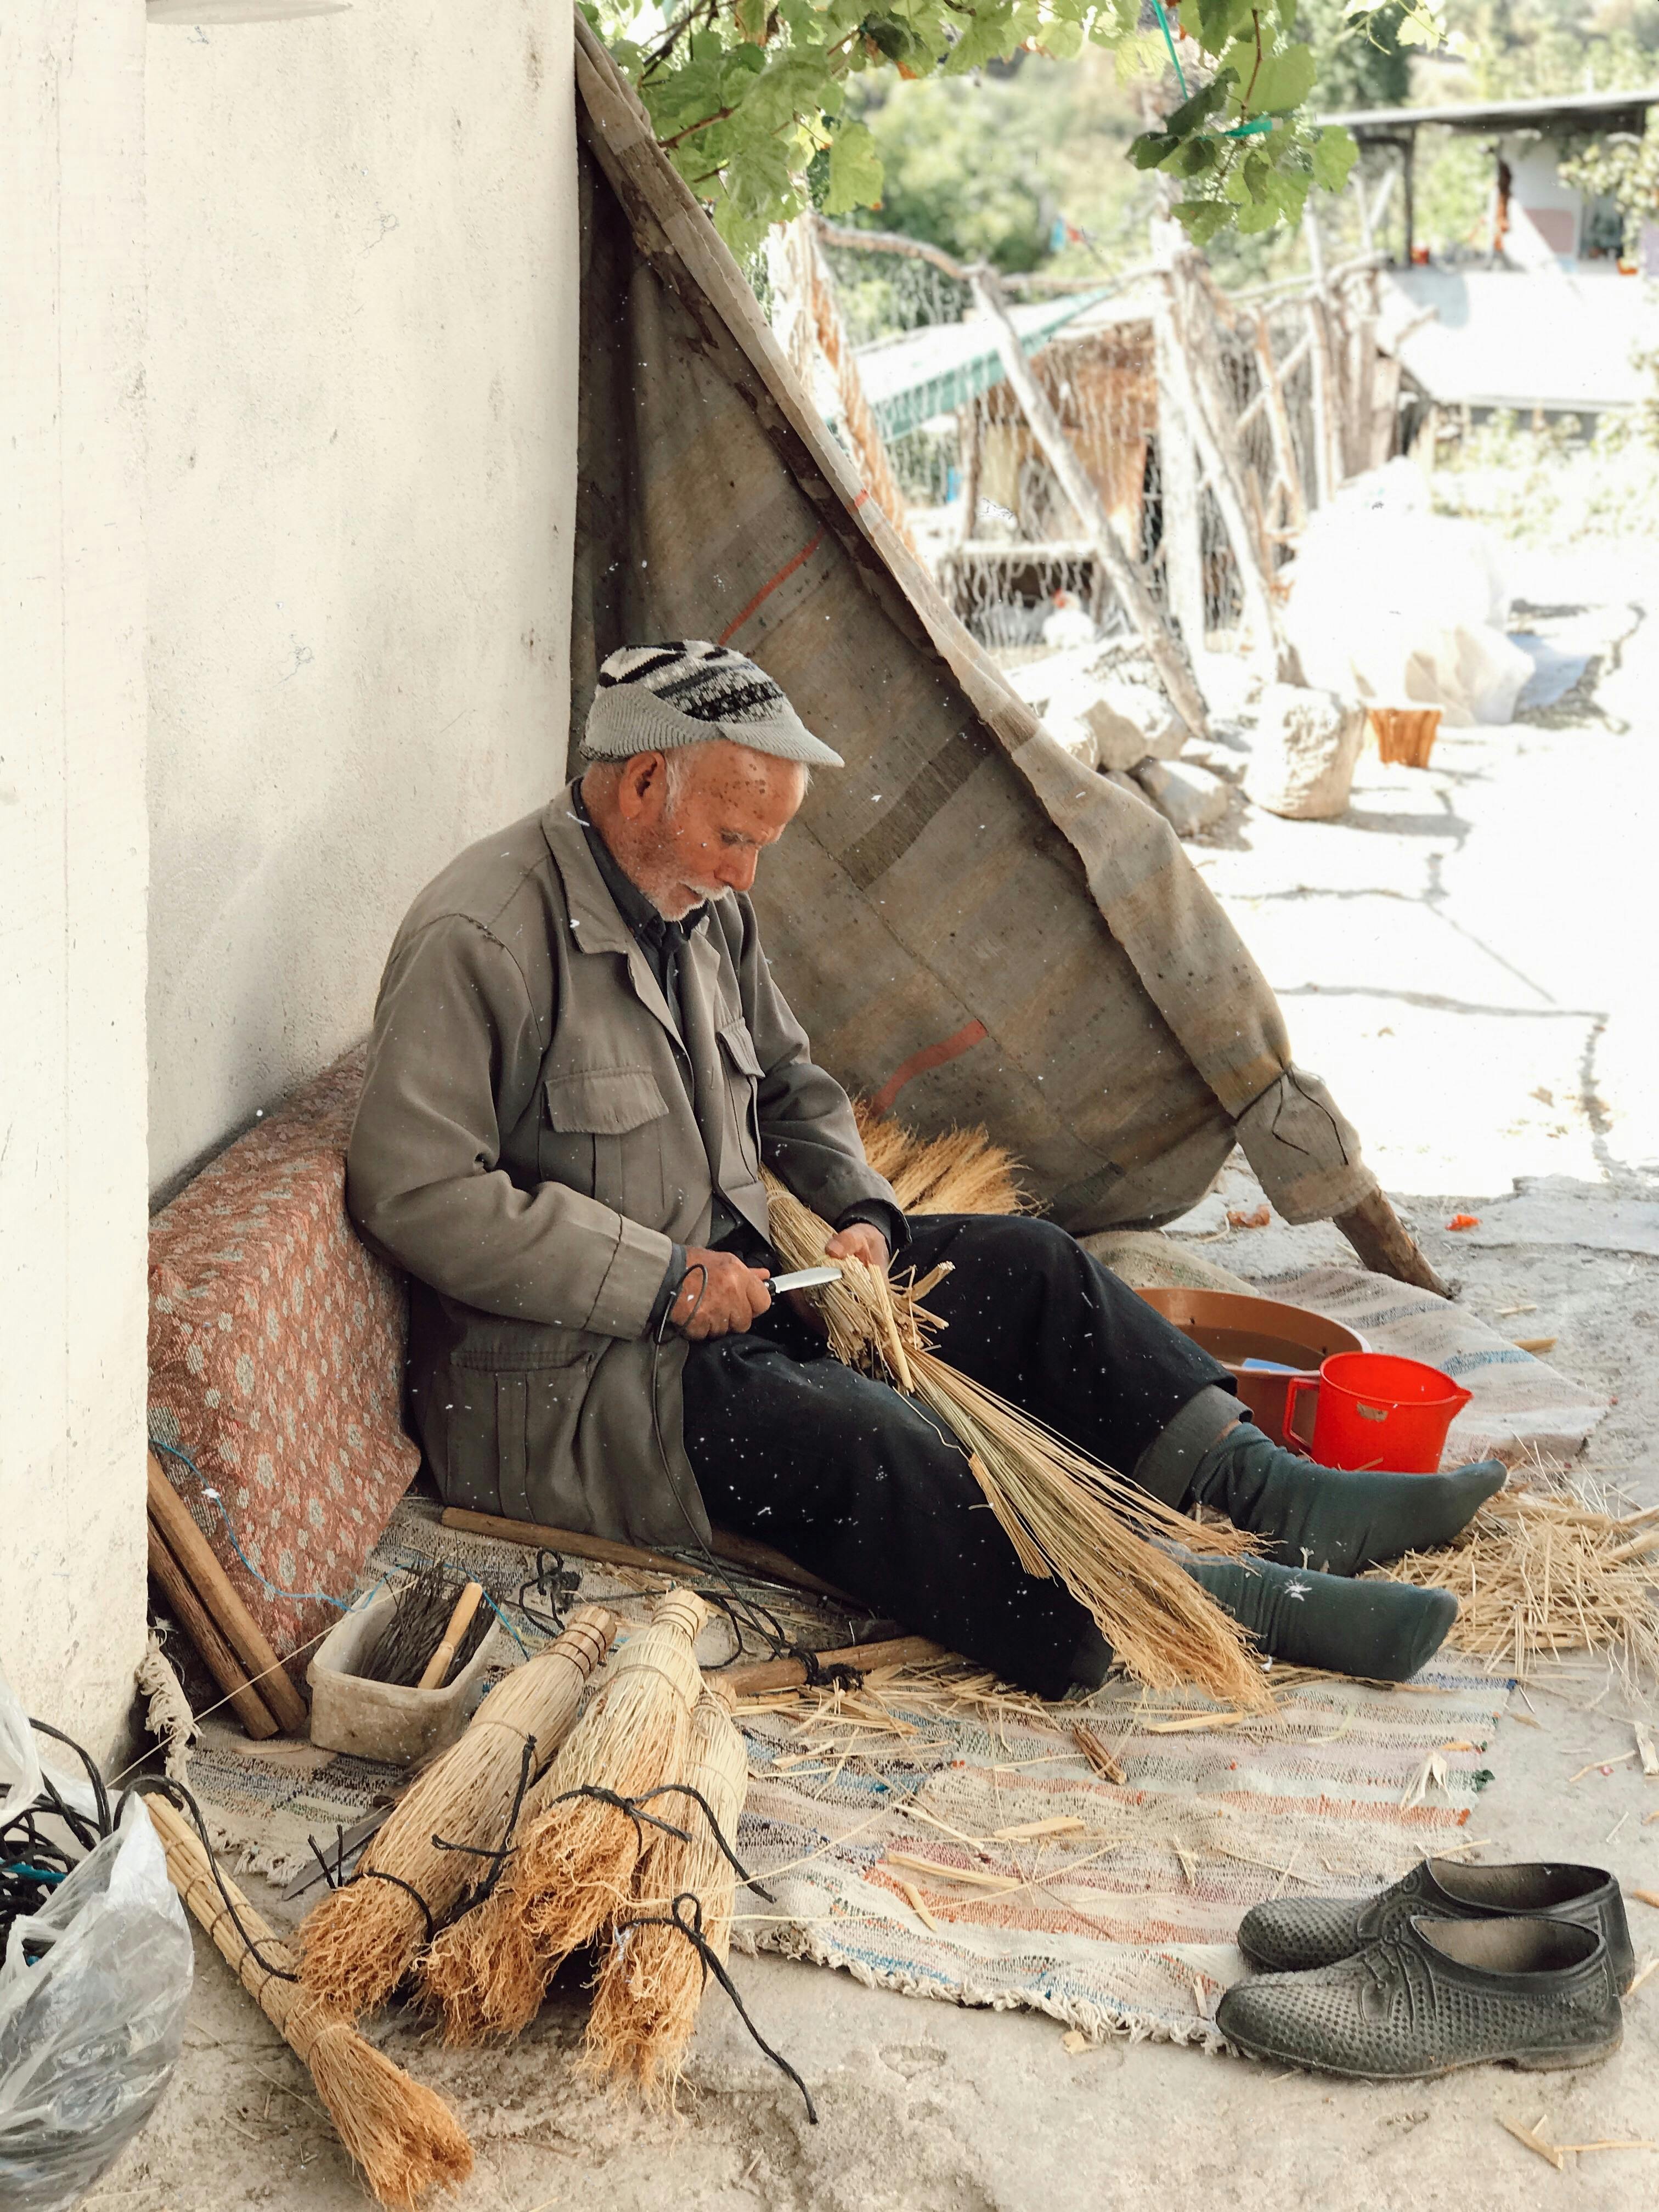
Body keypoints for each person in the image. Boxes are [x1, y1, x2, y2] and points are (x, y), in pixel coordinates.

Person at [347, 641, 1504, 1697]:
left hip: (737, 1293)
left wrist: (860, 1214)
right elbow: (416, 1191)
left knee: (1031, 1269)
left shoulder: (701, 908)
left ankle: (1271, 1495)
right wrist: (659, 1279)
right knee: (858, 1434)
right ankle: (1199, 1601)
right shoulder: (485, 935)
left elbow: (793, 1084)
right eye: (736, 838)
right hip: (580, 1381)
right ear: (643, 784)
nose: (749, 877)